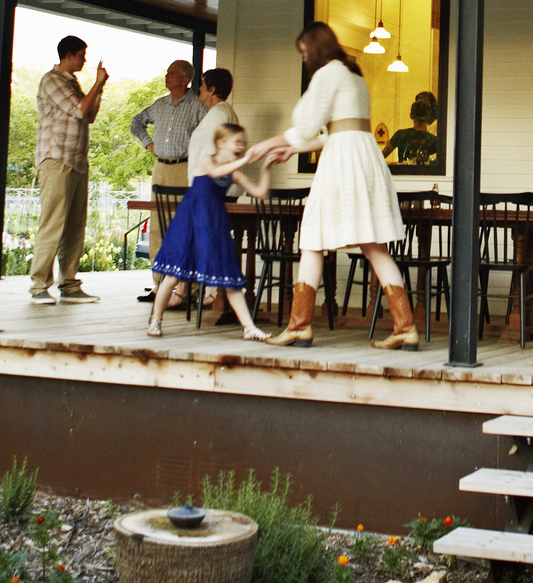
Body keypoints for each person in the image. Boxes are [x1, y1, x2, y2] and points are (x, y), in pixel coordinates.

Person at [244, 22, 420, 350]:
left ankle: (299, 326)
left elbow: (308, 125)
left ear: (316, 47)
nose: (304, 58)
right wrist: (292, 148)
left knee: (312, 238)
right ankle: (405, 327)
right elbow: (338, 131)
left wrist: (267, 144)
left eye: (305, 51)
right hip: (363, 156)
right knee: (374, 246)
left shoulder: (328, 73)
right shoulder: (354, 75)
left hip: (343, 164)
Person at [147, 124, 271, 342]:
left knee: (228, 276)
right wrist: (245, 160)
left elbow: (260, 193)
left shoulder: (234, 171)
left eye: (244, 143)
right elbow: (214, 173)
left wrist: (265, 167)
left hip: (214, 223)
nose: (242, 147)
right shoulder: (207, 160)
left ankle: (248, 327)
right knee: (173, 274)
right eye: (238, 142)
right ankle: (156, 319)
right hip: (191, 220)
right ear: (221, 144)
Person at [30, 35, 108, 305]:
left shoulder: (73, 83)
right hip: (56, 160)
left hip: (77, 161)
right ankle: (39, 285)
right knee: (52, 223)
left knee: (75, 226)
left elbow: (90, 115)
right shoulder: (51, 80)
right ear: (69, 55)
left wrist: (98, 88)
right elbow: (79, 110)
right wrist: (97, 83)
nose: (85, 59)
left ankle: (70, 284)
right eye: (82, 55)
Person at [131, 59, 205, 303]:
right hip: (160, 168)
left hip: (184, 169)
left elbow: (210, 133)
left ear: (185, 79)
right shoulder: (160, 104)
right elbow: (136, 122)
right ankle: (159, 285)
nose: (167, 76)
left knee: (182, 227)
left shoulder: (197, 106)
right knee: (157, 227)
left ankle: (186, 289)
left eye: (171, 73)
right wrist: (148, 144)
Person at [185, 69, 247, 322]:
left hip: (215, 190)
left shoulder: (220, 114)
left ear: (212, 89)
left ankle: (217, 294)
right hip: (214, 188)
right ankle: (213, 291)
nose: (198, 89)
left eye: (202, 86)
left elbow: (218, 152)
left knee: (212, 242)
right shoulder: (218, 113)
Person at [385, 91, 439, 165]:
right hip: (424, 176)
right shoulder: (433, 140)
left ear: (411, 115)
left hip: (403, 175)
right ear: (429, 116)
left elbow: (380, 157)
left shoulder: (400, 135)